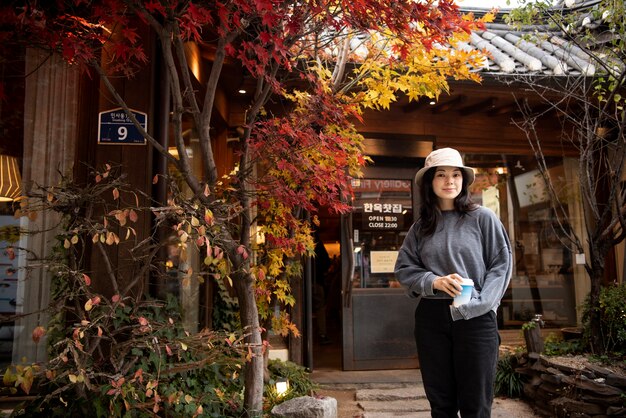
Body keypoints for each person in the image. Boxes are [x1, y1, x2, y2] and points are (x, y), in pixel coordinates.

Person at [394, 147, 512, 418]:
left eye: (456, 174)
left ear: (464, 180)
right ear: (429, 182)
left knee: (476, 404)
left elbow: (501, 266)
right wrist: (433, 281)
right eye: (442, 175)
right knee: (442, 404)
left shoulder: (483, 218)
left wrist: (480, 306)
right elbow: (404, 268)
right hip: (432, 318)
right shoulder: (421, 226)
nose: (450, 181)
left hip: (476, 315)